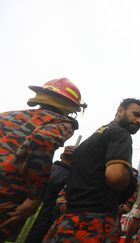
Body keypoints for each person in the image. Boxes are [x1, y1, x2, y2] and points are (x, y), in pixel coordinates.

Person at [44, 98, 140, 242]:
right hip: (96, 224)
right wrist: (130, 180)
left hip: (66, 222)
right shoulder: (121, 134)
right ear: (120, 111)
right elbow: (115, 177)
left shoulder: (91, 140)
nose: (139, 121)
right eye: (136, 114)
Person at [0, 78, 85, 241]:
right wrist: (34, 197)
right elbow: (42, 141)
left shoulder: (8, 115)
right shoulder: (61, 122)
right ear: (70, 106)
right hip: (6, 193)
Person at [25, 146, 76, 243]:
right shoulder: (70, 178)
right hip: (45, 219)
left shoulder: (46, 169)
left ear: (62, 156)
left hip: (25, 211)